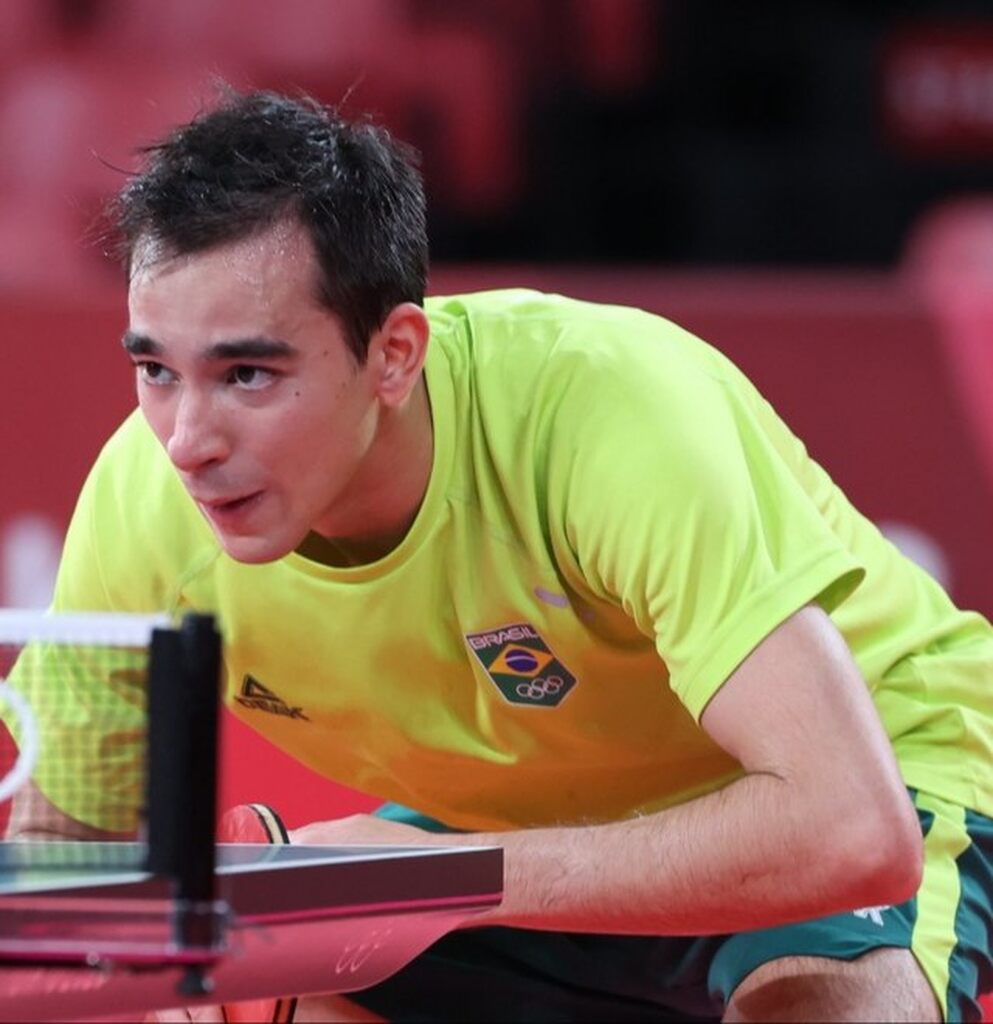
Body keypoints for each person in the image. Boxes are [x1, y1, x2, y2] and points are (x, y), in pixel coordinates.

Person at [8, 89, 993, 1022]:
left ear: (393, 354)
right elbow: (60, 877)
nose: (186, 439)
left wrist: (427, 877)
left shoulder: (604, 413)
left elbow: (851, 833)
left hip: (867, 772)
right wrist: (168, 959)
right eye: (154, 370)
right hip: (531, 841)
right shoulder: (148, 501)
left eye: (248, 372)